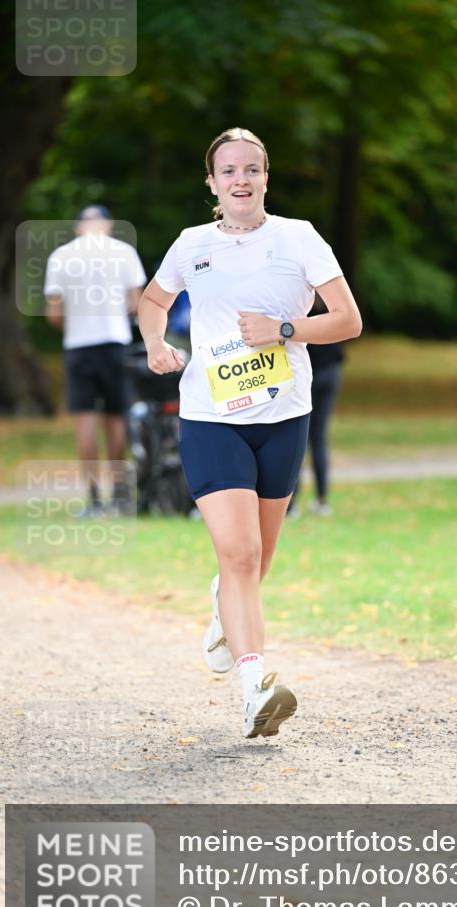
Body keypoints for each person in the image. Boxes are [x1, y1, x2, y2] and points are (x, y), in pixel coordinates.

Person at [137, 127, 362, 739]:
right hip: (211, 416)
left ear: (267, 177)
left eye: (253, 169)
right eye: (229, 170)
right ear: (212, 182)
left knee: (256, 561)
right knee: (237, 554)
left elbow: (347, 320)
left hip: (284, 416)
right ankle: (254, 688)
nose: (242, 179)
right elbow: (153, 301)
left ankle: (221, 611)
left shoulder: (298, 237)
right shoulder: (191, 244)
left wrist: (285, 329)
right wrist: (156, 343)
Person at [44, 205, 146, 514]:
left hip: (78, 346)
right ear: (108, 224)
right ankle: (117, 496)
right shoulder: (123, 252)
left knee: (84, 422)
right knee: (116, 420)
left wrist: (72, 324)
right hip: (115, 344)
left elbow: (54, 312)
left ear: (78, 228)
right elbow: (136, 303)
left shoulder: (61, 256)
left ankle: (93, 500)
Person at [287, 297, 345, 518]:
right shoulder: (334, 306)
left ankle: (291, 502)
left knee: (298, 435)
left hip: (307, 374)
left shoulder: (297, 307)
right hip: (331, 373)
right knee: (319, 437)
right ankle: (322, 499)